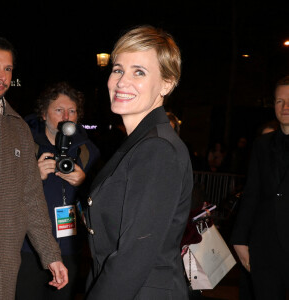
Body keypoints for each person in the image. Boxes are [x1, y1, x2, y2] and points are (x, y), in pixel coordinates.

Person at [84, 25, 193, 300]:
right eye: (118, 69)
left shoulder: (157, 149)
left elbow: (133, 256)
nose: (121, 82)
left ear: (167, 84)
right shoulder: (140, 143)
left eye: (139, 72)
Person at [0, 36, 68, 299]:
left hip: (5, 264)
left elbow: (31, 198)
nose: (2, 76)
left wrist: (51, 256)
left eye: (8, 69)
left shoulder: (20, 129)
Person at [16, 82, 100, 300]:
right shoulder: (24, 145)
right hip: (28, 248)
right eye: (58, 110)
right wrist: (33, 176)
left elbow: (99, 198)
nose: (66, 116)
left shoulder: (87, 151)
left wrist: (84, 182)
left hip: (69, 245)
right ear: (43, 114)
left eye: (72, 111)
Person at [231, 75, 289, 299]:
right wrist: (239, 238)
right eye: (279, 101)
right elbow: (251, 193)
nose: (285, 107)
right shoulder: (261, 145)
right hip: (264, 247)